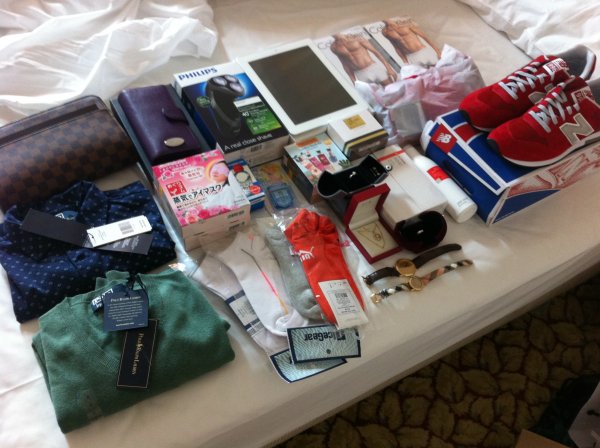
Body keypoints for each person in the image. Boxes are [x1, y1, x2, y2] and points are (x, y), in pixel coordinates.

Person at [330, 32, 398, 86]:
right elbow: (345, 64)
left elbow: (376, 52)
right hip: (360, 73)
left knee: (392, 89)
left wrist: (389, 69)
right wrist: (354, 82)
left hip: (373, 68)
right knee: (376, 97)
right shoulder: (334, 47)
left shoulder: (356, 38)